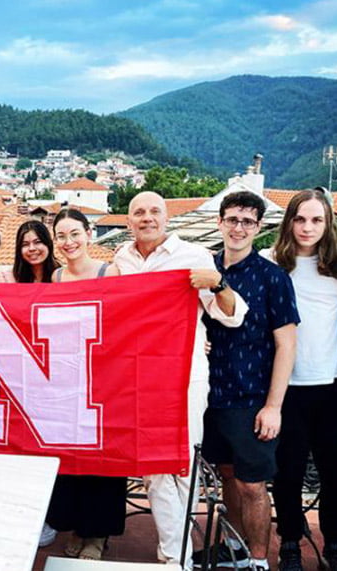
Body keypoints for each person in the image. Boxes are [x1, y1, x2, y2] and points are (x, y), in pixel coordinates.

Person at [113, 191, 248, 567]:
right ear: (129, 221)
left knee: (181, 463)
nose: (147, 218)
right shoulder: (122, 258)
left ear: (166, 217)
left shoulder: (195, 257)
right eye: (138, 212)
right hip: (137, 377)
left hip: (184, 377)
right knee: (153, 468)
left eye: (154, 211)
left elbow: (232, 316)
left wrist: (218, 283)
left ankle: (176, 558)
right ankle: (176, 558)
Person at [200, 191, 299, 571]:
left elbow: (286, 344)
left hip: (250, 397)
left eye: (247, 221)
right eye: (232, 219)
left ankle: (258, 560)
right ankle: (234, 550)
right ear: (220, 222)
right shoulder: (203, 268)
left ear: (258, 228)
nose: (238, 227)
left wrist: (273, 406)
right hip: (208, 395)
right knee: (227, 476)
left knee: (252, 485)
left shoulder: (272, 277)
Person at [261, 189, 337, 571]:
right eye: (300, 219)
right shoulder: (271, 262)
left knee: (335, 472)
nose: (307, 227)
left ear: (328, 223)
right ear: (289, 222)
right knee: (288, 471)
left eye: (316, 220)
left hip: (336, 382)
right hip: (288, 385)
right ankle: (289, 544)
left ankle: (335, 544)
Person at [44, 208, 122, 561]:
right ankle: (77, 526)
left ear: (89, 234)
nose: (68, 241)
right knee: (71, 456)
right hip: (65, 377)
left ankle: (98, 535)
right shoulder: (56, 276)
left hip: (104, 376)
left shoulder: (110, 271)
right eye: (61, 236)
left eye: (74, 233)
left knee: (103, 459)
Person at [11, 219, 61, 548]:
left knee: (55, 448)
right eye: (25, 243)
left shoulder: (62, 277)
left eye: (38, 241)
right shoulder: (13, 281)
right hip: (23, 377)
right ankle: (30, 515)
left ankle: (54, 515)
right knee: (24, 448)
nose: (32, 248)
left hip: (59, 375)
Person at [12, 219, 59, 284]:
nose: (32, 248)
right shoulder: (12, 279)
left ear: (48, 244)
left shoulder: (60, 277)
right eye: (25, 244)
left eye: (37, 242)